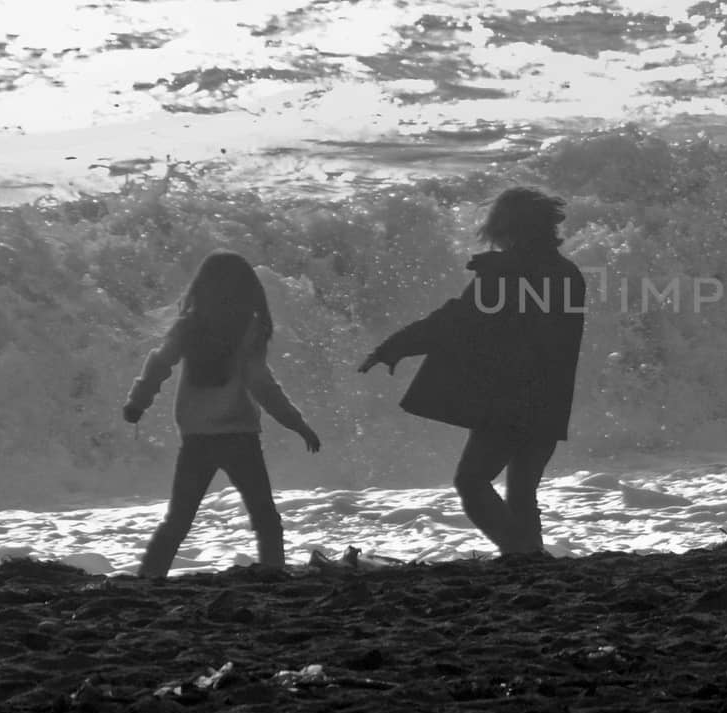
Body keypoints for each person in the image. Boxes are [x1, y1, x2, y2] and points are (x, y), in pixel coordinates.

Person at [359, 186, 587, 556]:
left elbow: (454, 322)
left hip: (509, 401)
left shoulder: (504, 274)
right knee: (521, 489)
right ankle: (528, 558)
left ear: (506, 226)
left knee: (471, 481)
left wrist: (395, 347)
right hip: (551, 399)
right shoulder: (568, 273)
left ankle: (525, 554)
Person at [123, 250, 322, 578]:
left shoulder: (188, 326)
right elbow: (262, 385)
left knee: (177, 521)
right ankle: (273, 575)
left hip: (196, 439)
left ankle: (147, 580)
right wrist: (297, 423)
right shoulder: (248, 327)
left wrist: (137, 403)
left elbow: (159, 363)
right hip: (239, 438)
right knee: (265, 519)